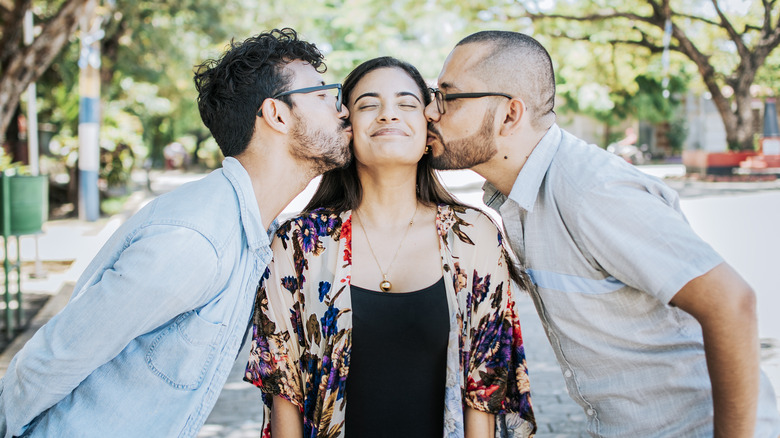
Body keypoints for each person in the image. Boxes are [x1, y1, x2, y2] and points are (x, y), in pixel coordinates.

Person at [424, 30, 780, 437]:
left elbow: (731, 302)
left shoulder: (591, 191)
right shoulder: (520, 194)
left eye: (448, 97)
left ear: (510, 115)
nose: (430, 111)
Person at [0, 28, 351, 437]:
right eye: (324, 94)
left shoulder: (252, 232)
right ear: (277, 114)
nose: (342, 110)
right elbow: (54, 357)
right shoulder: (199, 239)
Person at [244, 56, 536, 438]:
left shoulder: (473, 234)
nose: (388, 114)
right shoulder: (299, 243)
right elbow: (284, 386)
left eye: (407, 103)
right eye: (368, 105)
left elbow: (485, 384)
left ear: (427, 128)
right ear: (347, 128)